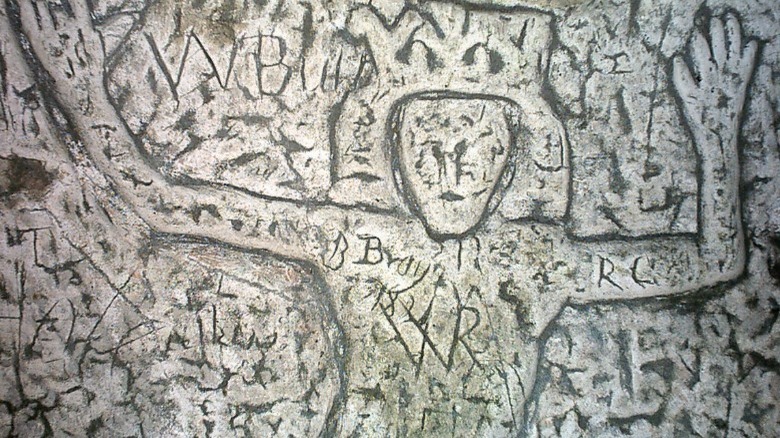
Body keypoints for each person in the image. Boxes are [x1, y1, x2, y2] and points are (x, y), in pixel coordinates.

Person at [13, 0, 756, 434]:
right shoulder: (353, 240)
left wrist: (718, 137)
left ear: (511, 157)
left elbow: (710, 265)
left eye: (479, 145)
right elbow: (167, 202)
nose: (453, 169)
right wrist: (82, 90)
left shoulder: (536, 261)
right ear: (394, 148)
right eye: (430, 142)